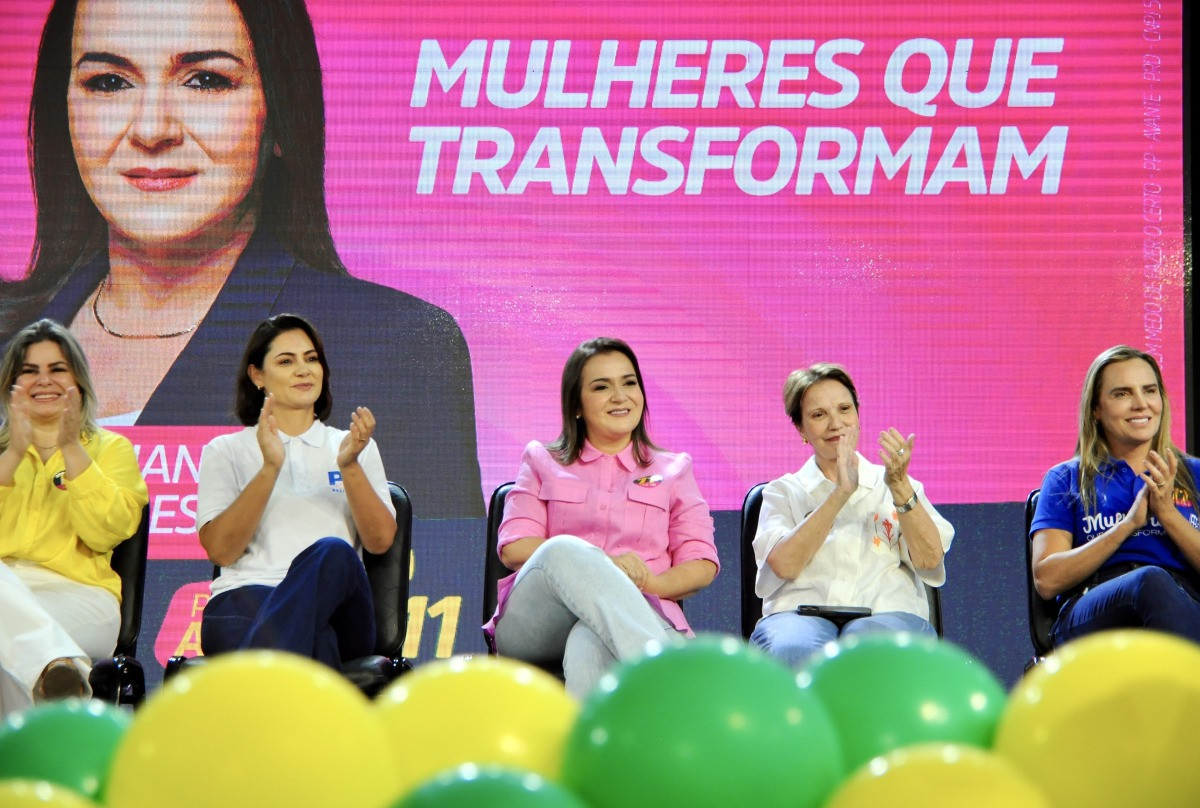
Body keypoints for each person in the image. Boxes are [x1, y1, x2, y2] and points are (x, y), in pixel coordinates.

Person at [0, 0, 481, 517]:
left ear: (278, 111)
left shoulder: (392, 346)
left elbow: (430, 585)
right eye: (109, 82)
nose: (152, 129)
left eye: (205, 80)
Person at [485, 337, 719, 698]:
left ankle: (592, 752)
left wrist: (647, 585)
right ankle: (676, 685)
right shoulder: (541, 460)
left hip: (641, 608)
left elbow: (701, 564)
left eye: (629, 383)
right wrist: (608, 565)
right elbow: (514, 548)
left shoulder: (674, 469)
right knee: (563, 550)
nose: (620, 396)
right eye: (601, 387)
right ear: (576, 405)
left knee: (588, 643)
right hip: (539, 621)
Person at [195, 314, 395, 669]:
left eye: (312, 358)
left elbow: (379, 541)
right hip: (246, 601)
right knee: (319, 642)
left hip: (342, 611)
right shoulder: (225, 451)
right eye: (287, 361)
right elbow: (222, 551)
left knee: (334, 552)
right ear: (257, 375)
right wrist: (270, 467)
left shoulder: (352, 446)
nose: (304, 370)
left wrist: (349, 466)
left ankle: (249, 691)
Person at [749, 363, 953, 669]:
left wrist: (899, 486)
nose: (835, 424)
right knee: (795, 650)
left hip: (885, 614)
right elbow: (784, 564)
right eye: (819, 415)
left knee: (867, 650)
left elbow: (929, 560)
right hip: (799, 617)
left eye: (844, 409)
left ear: (857, 415)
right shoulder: (783, 492)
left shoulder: (897, 485)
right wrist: (840, 493)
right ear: (801, 429)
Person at [0, 319, 148, 717]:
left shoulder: (111, 450)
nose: (43, 380)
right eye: (29, 371)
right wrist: (13, 454)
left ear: (78, 382)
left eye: (57, 369)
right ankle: (61, 675)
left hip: (81, 598)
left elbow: (109, 533)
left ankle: (55, 670)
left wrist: (70, 447)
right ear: (11, 386)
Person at [1030, 345, 1200, 646]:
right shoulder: (1066, 478)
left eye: (1149, 390)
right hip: (1093, 609)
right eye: (1122, 394)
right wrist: (1127, 526)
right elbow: (1047, 580)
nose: (1140, 404)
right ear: (1096, 409)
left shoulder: (1194, 473)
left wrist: (1167, 513)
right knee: (1149, 581)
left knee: (1160, 587)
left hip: (1186, 602)